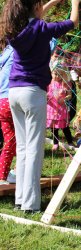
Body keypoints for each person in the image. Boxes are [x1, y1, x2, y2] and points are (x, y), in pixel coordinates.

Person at [0, 0, 79, 212]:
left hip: (14, 92)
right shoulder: (43, 28)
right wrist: (75, 3)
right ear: (35, 7)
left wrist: (53, 1)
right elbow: (73, 21)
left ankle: (20, 200)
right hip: (33, 92)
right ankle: (31, 205)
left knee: (24, 148)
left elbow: (36, 15)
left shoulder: (16, 29)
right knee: (34, 149)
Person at [47, 66, 74, 151]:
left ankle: (70, 141)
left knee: (65, 126)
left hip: (61, 108)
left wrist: (65, 99)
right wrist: (46, 97)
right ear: (51, 73)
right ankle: (55, 143)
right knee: (54, 127)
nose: (57, 76)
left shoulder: (65, 83)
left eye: (60, 74)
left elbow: (70, 95)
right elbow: (46, 93)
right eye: (55, 74)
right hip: (52, 108)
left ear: (63, 75)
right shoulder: (49, 83)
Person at [0, 44, 16, 185]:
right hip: (12, 99)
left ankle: (3, 175)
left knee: (10, 140)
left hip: (1, 103)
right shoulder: (18, 49)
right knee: (27, 138)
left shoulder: (4, 55)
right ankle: (19, 171)